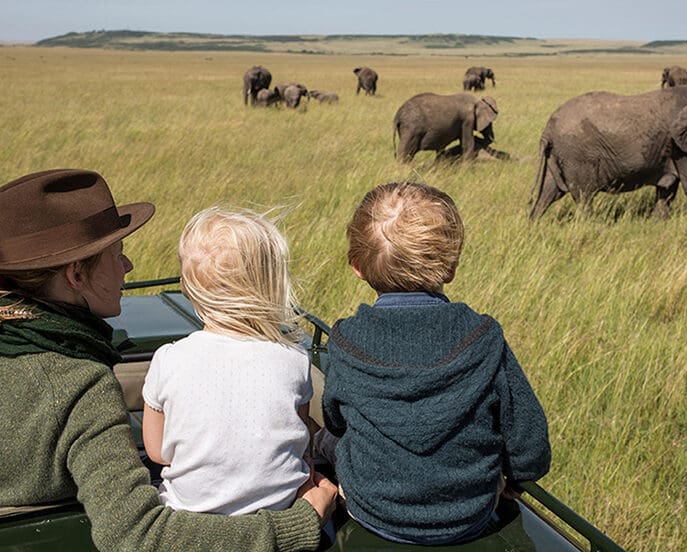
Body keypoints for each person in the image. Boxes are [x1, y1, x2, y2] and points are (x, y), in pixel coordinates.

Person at [0, 169, 336, 551]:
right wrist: (299, 524)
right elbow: (136, 535)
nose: (128, 267)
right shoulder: (76, 383)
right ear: (76, 274)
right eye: (118, 254)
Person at [321, 181, 551, 545]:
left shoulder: (346, 339)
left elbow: (334, 418)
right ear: (450, 269)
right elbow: (529, 441)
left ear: (357, 268)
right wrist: (517, 478)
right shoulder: (484, 337)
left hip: (372, 512)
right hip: (469, 517)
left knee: (326, 438)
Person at [142, 206, 313, 515]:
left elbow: (156, 451)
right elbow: (298, 439)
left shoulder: (168, 359)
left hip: (188, 515)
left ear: (189, 289)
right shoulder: (295, 358)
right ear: (270, 285)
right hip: (280, 512)